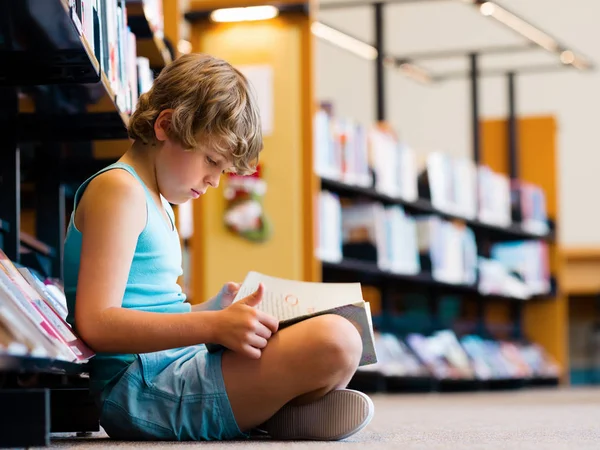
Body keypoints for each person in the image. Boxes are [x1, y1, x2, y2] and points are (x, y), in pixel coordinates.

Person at [63, 53, 374, 442]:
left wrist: (210, 311)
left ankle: (267, 413)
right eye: (211, 160)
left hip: (168, 366)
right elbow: (97, 323)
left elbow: (144, 307)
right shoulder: (119, 190)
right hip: (140, 389)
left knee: (340, 338)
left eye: (222, 169)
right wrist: (211, 325)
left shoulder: (154, 198)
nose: (213, 181)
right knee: (337, 340)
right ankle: (271, 413)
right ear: (166, 125)